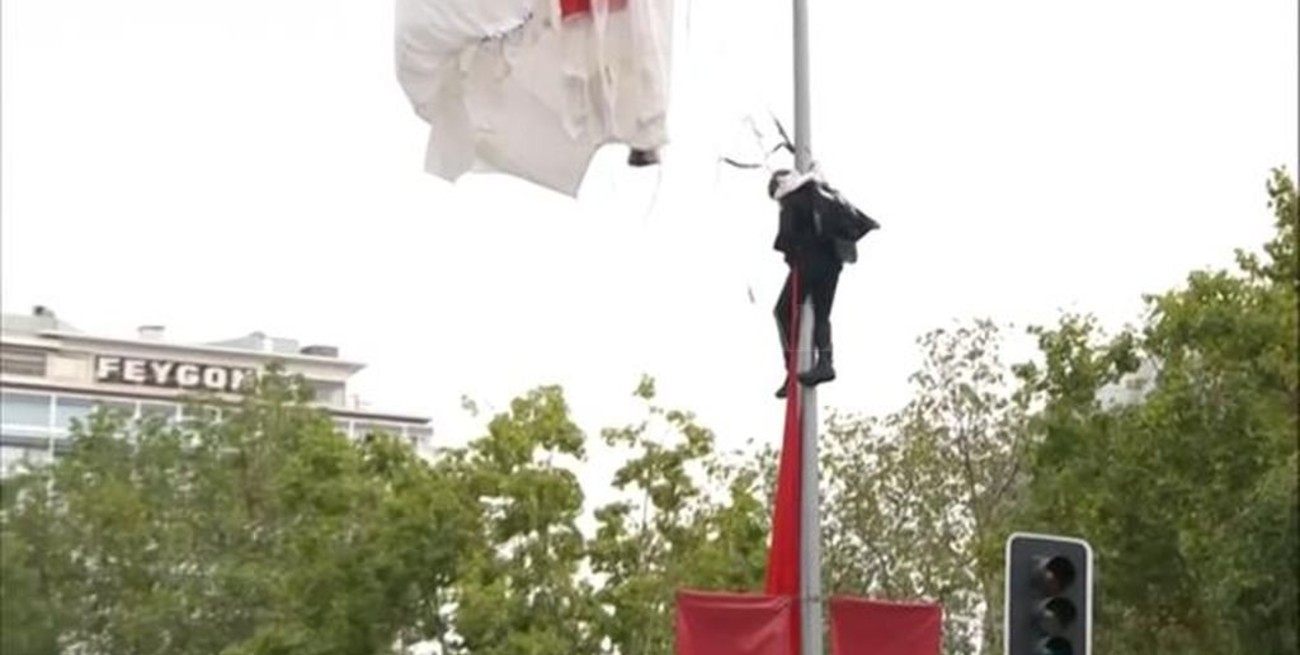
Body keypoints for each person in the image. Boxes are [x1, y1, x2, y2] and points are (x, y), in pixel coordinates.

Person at [769, 165, 879, 399]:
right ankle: (826, 362)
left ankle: (792, 369)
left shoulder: (792, 199)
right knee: (821, 315)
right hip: (833, 260)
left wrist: (790, 254)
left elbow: (787, 237)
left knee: (782, 312)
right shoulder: (822, 192)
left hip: (809, 261)